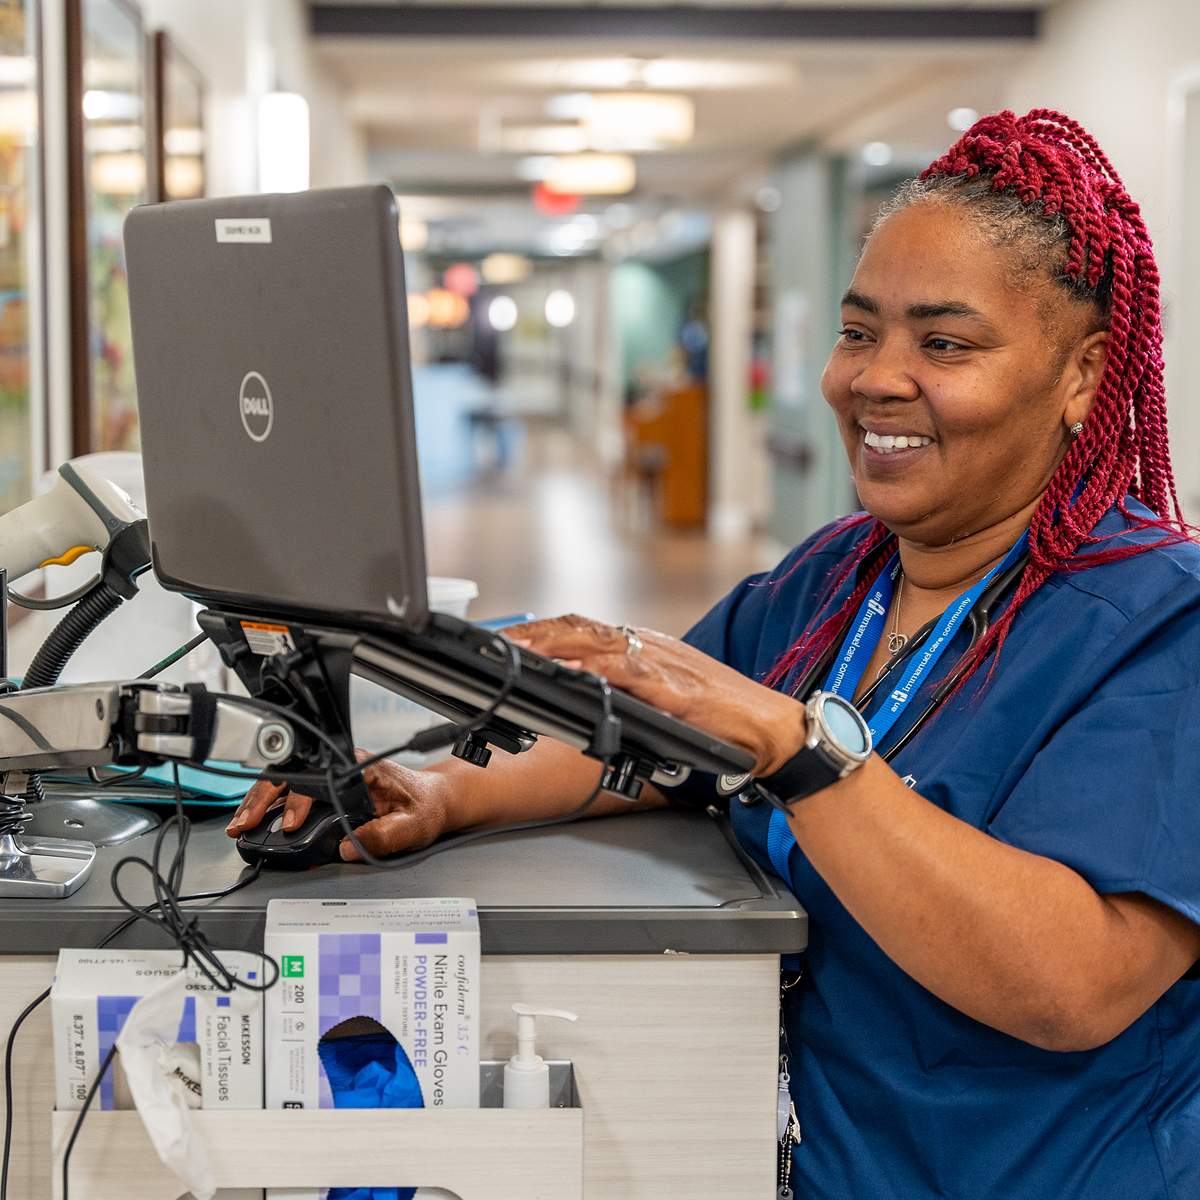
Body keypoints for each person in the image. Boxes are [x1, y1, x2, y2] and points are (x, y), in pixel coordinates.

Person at [228, 110, 1200, 1198]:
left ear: (1083, 374)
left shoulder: (1162, 622)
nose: (873, 379)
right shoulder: (837, 579)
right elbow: (647, 741)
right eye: (857, 331)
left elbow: (1072, 984)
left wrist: (791, 746)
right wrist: (444, 790)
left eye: (945, 343)